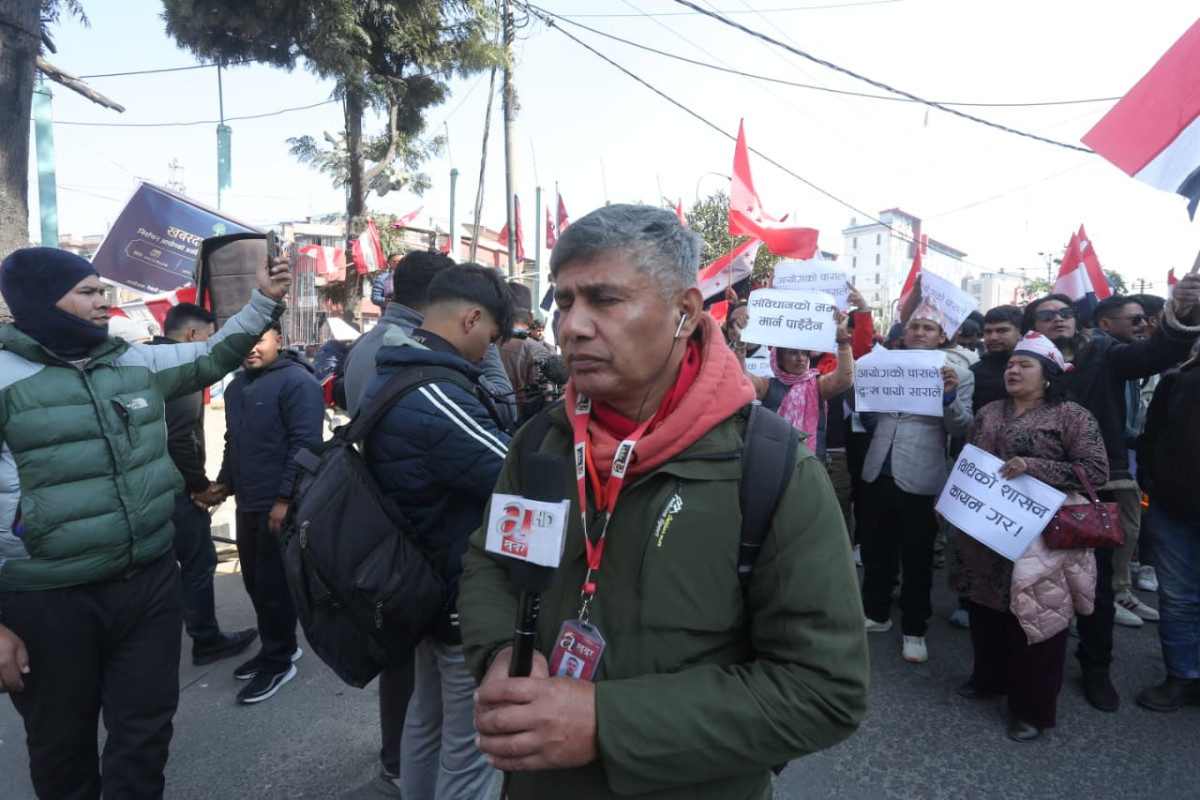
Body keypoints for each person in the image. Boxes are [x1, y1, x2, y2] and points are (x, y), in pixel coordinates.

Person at [459, 204, 868, 800]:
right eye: (565, 301)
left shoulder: (773, 468)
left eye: (605, 300)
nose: (572, 326)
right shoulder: (542, 441)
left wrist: (607, 724)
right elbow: (492, 566)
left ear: (685, 312)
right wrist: (500, 651)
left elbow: (824, 691)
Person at [0, 245, 290, 798]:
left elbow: (214, 355)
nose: (102, 302)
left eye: (102, 290)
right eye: (86, 292)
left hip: (150, 583)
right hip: (46, 599)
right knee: (61, 747)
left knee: (146, 732)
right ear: (39, 300)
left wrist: (264, 301)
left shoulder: (133, 361)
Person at [362, 263, 513, 800]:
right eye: (490, 337)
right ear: (471, 318)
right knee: (471, 744)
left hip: (419, 581)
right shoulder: (436, 393)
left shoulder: (394, 369)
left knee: (425, 719)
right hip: (453, 589)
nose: (487, 350)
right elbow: (510, 472)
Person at [1022, 271, 1200, 711]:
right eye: (1046, 314)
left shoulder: (1103, 354)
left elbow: (1155, 353)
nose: (1059, 318)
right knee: (1031, 581)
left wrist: (1181, 312)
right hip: (1029, 489)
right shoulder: (1020, 362)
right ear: (1032, 328)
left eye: (1065, 311)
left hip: (1092, 491)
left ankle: (1096, 669)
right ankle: (1029, 668)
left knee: (1096, 587)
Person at [950, 333, 1108, 742]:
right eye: (1010, 365)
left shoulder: (1071, 416)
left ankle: (1031, 710)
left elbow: (1096, 471)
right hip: (984, 532)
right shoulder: (989, 411)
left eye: (1025, 365)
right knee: (984, 609)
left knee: (1035, 617)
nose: (1013, 371)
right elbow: (968, 460)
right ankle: (988, 680)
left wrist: (1033, 466)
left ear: (1048, 374)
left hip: (1039, 537)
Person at [859, 298, 975, 664]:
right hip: (878, 470)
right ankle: (876, 612)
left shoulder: (959, 374)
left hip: (921, 475)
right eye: (914, 327)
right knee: (876, 551)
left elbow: (961, 427)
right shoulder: (884, 364)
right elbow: (865, 406)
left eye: (928, 328)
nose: (920, 332)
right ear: (904, 333)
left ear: (942, 336)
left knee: (917, 557)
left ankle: (914, 627)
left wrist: (949, 397)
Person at [217, 320, 324, 705]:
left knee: (274, 587)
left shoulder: (298, 382)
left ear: (278, 339)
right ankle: (279, 647)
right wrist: (223, 483)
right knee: (255, 584)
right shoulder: (235, 387)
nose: (251, 348)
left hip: (279, 506)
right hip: (247, 502)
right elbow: (233, 441)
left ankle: (278, 662)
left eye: (259, 340)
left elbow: (306, 445)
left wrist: (284, 500)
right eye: (243, 341)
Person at [150, 303, 258, 666]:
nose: (211, 344)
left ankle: (153, 640)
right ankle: (206, 639)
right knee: (197, 562)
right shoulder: (181, 370)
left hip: (146, 487)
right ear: (192, 335)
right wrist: (198, 486)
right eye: (209, 337)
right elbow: (181, 438)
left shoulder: (143, 361)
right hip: (177, 489)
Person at [342, 251, 516, 428]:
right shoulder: (423, 352)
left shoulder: (363, 343)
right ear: (440, 293)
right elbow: (505, 408)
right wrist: (485, 333)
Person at [1137, 343, 1200, 711]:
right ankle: (1183, 676)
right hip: (1174, 508)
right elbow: (1150, 436)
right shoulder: (1177, 381)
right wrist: (1152, 481)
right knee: (1177, 598)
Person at [1091, 295, 1159, 628]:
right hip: (1101, 461)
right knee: (1098, 535)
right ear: (1105, 324)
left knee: (1129, 529)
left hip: (1125, 455)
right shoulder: (1099, 355)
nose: (1143, 324)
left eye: (1145, 318)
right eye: (1135, 319)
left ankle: (1120, 590)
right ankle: (1098, 598)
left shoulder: (1126, 357)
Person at [728, 309, 854, 462]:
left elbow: (845, 379)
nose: (800, 358)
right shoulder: (768, 386)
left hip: (810, 465)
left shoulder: (817, 386)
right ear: (779, 358)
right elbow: (739, 379)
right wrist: (740, 344)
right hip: (775, 465)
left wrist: (843, 341)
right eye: (793, 353)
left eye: (804, 353)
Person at [971, 305, 1023, 411]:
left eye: (1002, 330)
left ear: (1020, 332)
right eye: (988, 332)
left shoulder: (1037, 369)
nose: (993, 337)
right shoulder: (974, 372)